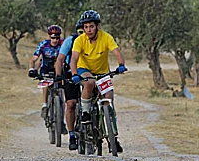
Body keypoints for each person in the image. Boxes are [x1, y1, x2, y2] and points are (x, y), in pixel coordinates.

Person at [70, 9, 127, 153]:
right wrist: (75, 73)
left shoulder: (106, 37)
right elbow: (74, 59)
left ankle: (113, 138)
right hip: (84, 69)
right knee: (89, 83)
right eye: (86, 27)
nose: (89, 30)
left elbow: (117, 52)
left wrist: (121, 65)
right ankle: (85, 112)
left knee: (109, 100)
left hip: (102, 72)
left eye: (91, 26)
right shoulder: (79, 40)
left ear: (97, 26)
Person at [55, 19, 84, 151]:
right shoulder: (70, 41)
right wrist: (59, 75)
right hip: (70, 73)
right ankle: (71, 134)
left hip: (88, 72)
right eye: (80, 31)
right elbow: (60, 59)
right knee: (71, 103)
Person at [29, 24, 63, 119]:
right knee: (46, 83)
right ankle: (44, 105)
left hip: (58, 68)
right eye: (53, 38)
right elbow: (34, 59)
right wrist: (32, 70)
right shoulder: (44, 44)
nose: (55, 40)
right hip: (46, 68)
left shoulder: (63, 44)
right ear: (49, 36)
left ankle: (61, 116)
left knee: (62, 89)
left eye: (57, 38)